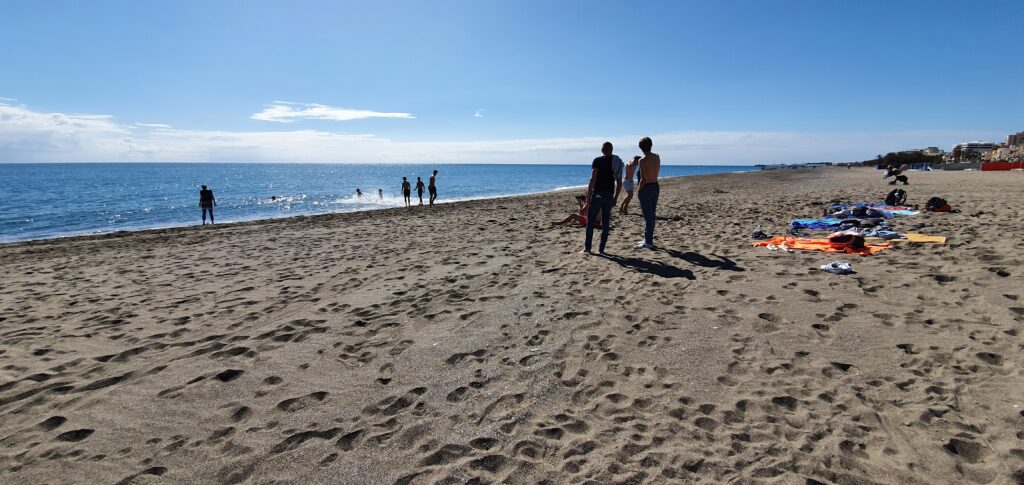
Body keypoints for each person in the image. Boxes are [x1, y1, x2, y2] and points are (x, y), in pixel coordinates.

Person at [582, 142, 622, 254]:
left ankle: (587, 248)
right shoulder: (617, 162)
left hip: (598, 194)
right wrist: (615, 198)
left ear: (602, 150)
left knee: (590, 221)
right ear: (612, 149)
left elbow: (592, 178)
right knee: (606, 222)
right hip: (609, 195)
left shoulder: (597, 160)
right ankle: (601, 250)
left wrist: (588, 197)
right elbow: (619, 183)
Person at [636, 137, 661, 249]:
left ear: (641, 148)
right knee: (652, 214)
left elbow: (643, 178)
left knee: (648, 216)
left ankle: (648, 241)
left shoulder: (642, 160)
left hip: (646, 187)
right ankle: (648, 238)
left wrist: (639, 190)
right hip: (655, 186)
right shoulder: (657, 157)